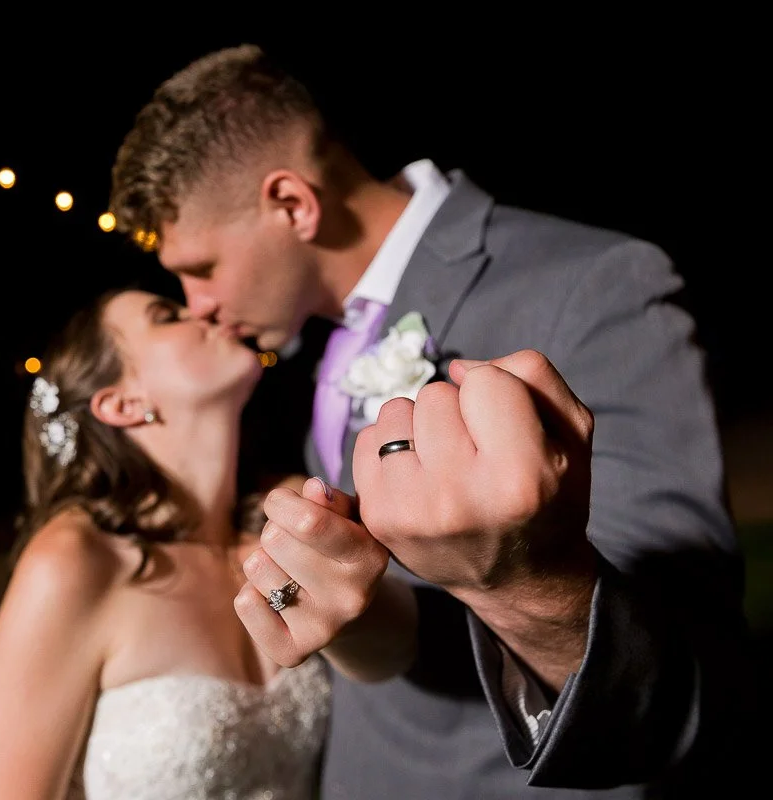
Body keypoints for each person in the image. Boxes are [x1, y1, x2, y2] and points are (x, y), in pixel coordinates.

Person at [107, 43, 756, 797]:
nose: (198, 306)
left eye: (201, 269)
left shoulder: (595, 285)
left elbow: (688, 664)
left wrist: (522, 580)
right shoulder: (327, 336)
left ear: (292, 204)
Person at [0, 286, 418, 799]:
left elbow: (396, 653)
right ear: (124, 403)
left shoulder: (282, 522)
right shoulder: (76, 562)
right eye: (166, 316)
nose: (202, 309)